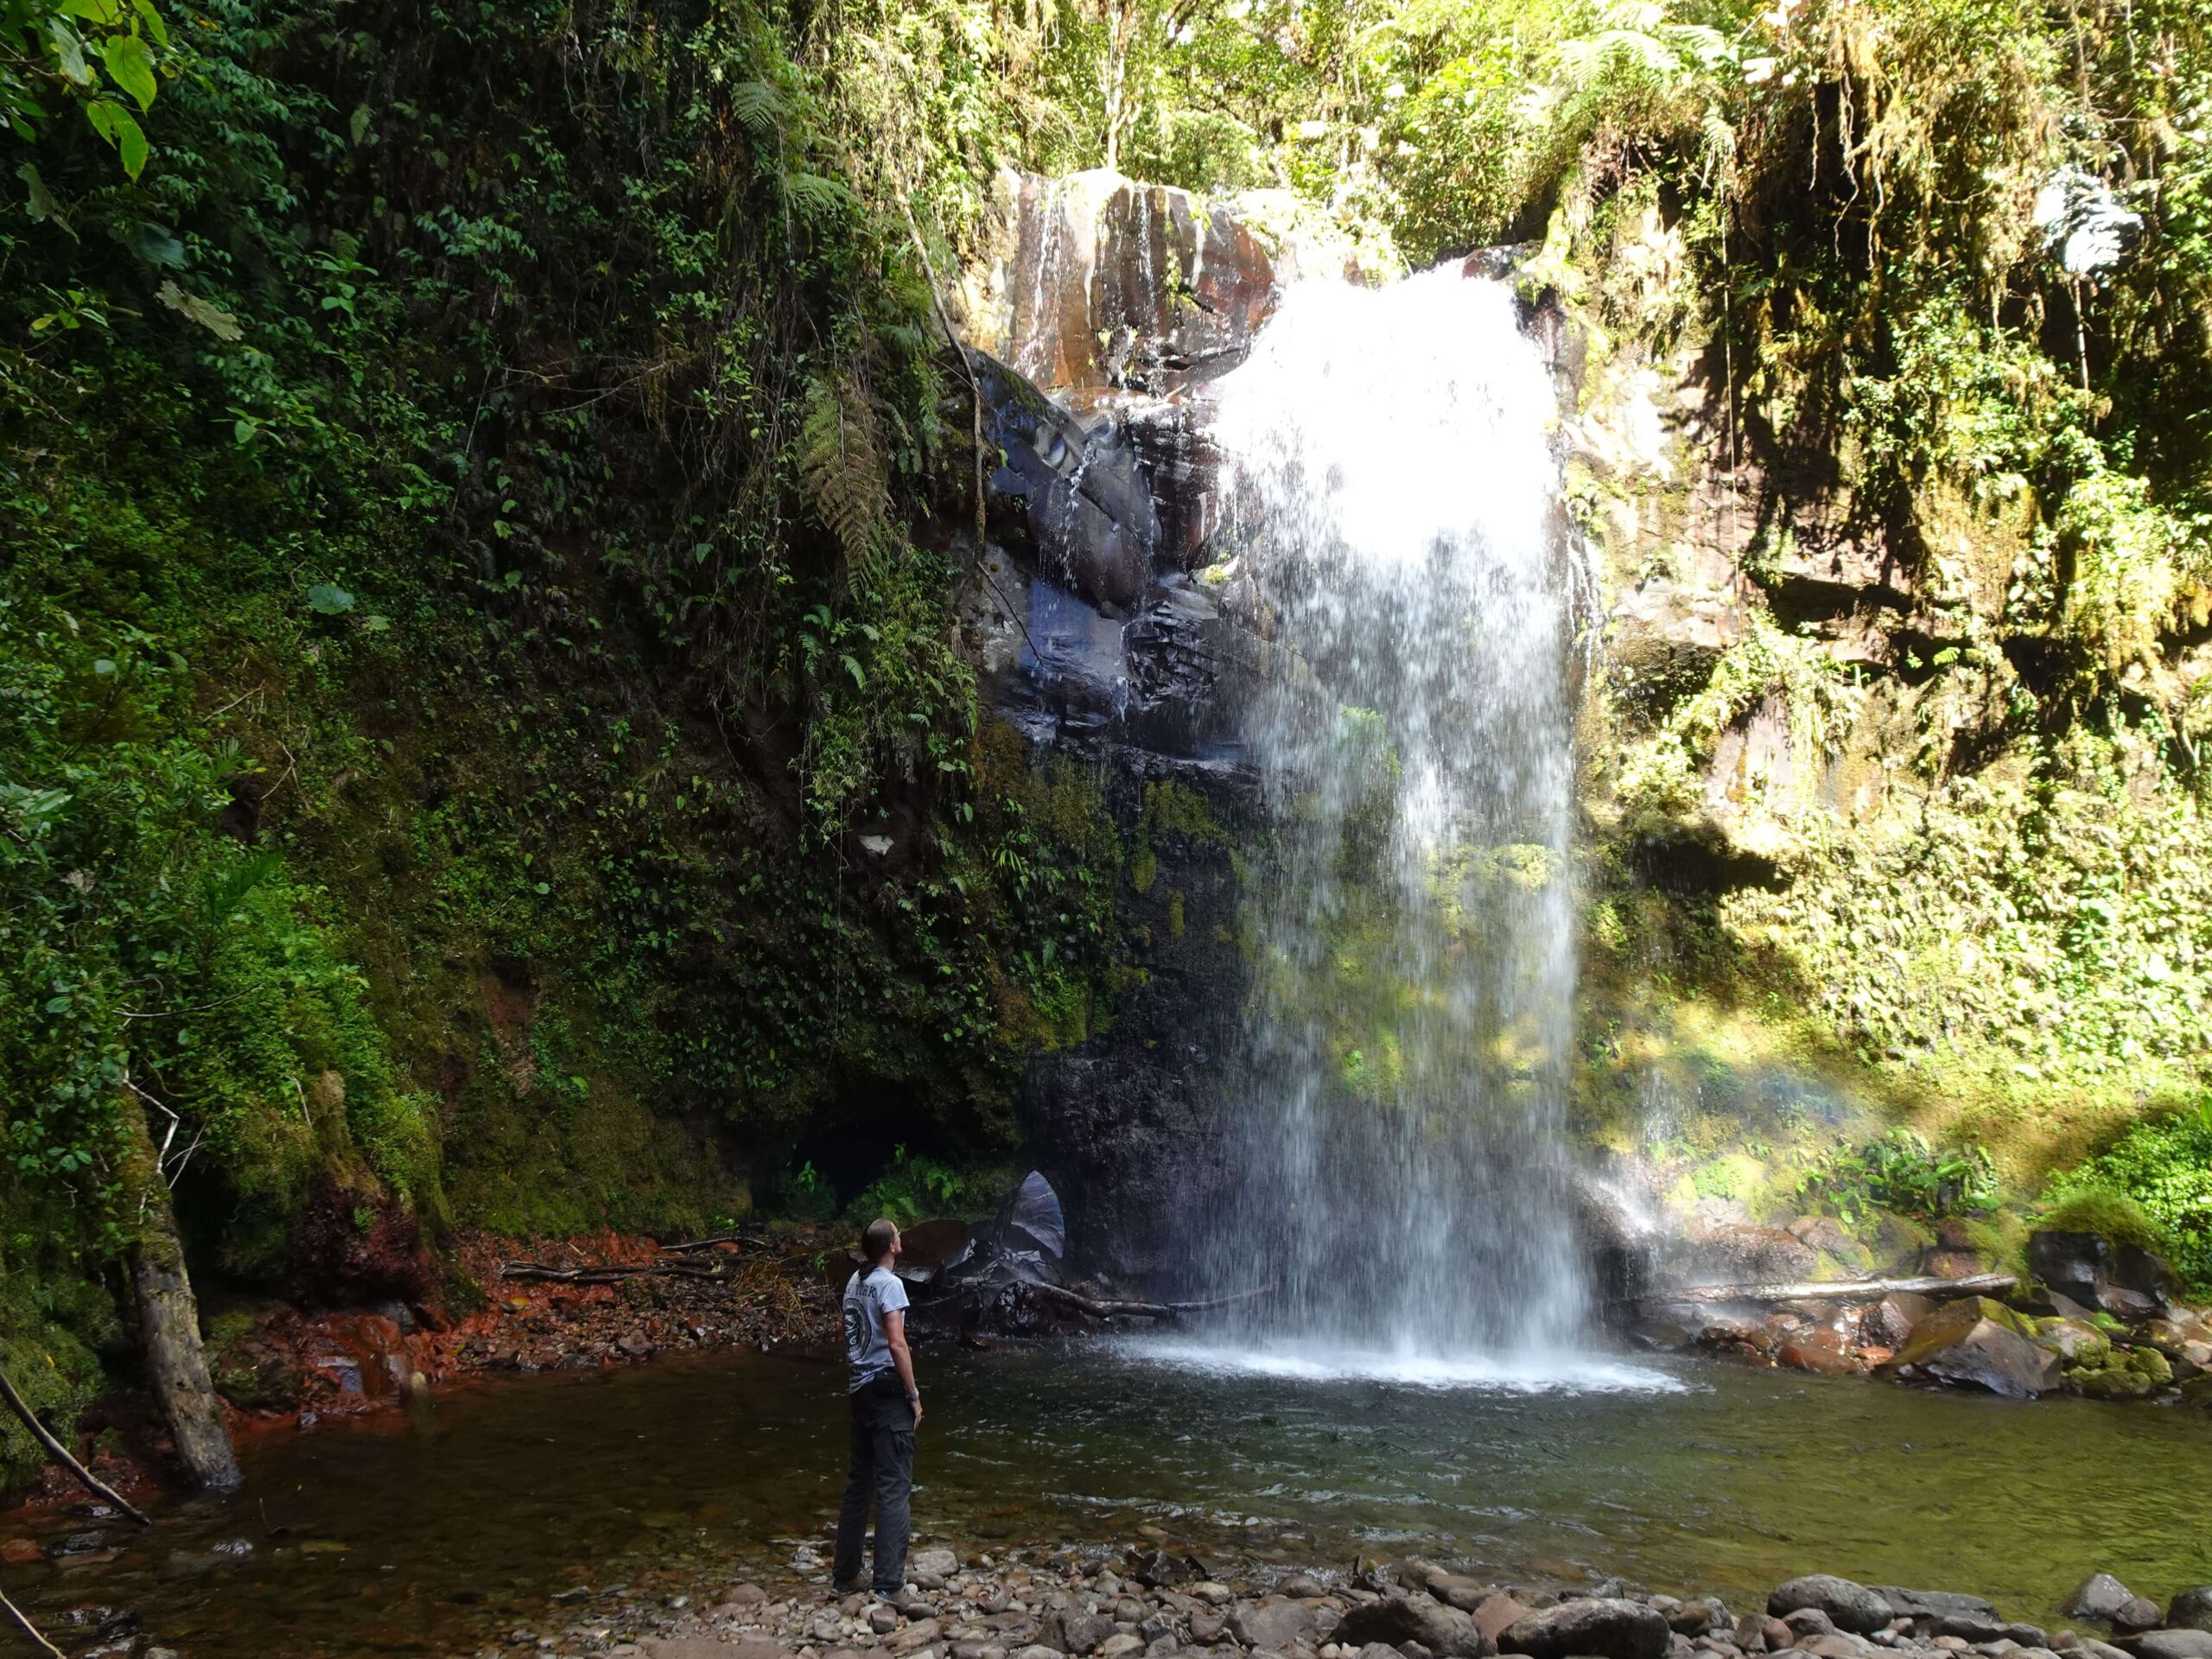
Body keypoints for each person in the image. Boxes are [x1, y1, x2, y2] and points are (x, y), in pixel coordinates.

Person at [834, 1217, 923, 1597]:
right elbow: (897, 1344)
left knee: (859, 1486)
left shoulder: (856, 1281)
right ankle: (888, 1586)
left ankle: (845, 1578)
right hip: (887, 1392)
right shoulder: (890, 1284)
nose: (901, 1238)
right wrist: (914, 1395)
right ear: (891, 1246)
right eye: (898, 1234)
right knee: (894, 1488)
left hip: (859, 1389)